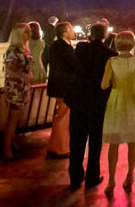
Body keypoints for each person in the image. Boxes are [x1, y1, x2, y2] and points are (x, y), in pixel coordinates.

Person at [65, 23, 117, 190]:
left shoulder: (79, 50)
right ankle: (92, 177)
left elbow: (72, 71)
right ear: (105, 36)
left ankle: (75, 176)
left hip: (79, 100)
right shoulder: (110, 55)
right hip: (98, 103)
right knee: (95, 142)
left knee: (76, 141)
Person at [100, 31, 135, 196]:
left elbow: (104, 85)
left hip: (116, 100)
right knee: (132, 141)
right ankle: (130, 175)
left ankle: (111, 180)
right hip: (133, 99)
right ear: (133, 44)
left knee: (114, 142)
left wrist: (113, 80)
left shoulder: (111, 61)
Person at [3, 23, 34, 159]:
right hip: (16, 88)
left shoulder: (23, 49)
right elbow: (9, 69)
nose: (29, 34)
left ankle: (13, 143)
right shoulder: (13, 50)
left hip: (22, 87)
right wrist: (24, 77)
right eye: (26, 32)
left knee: (16, 117)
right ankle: (7, 149)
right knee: (13, 117)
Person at [44, 21, 75, 158]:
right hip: (64, 87)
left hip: (59, 86)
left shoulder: (56, 46)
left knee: (62, 115)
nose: (73, 31)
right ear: (64, 33)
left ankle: (58, 145)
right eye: (71, 29)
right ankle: (59, 148)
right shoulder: (64, 48)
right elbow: (73, 66)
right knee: (63, 116)